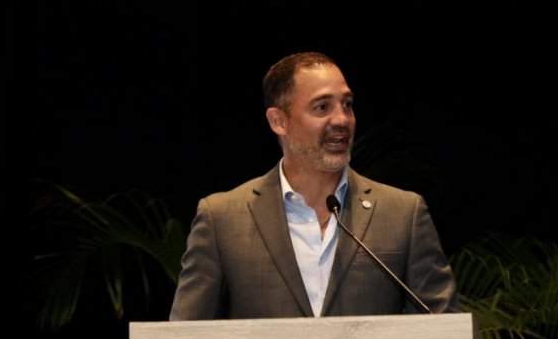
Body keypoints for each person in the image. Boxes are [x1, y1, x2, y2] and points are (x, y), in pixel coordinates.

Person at [170, 51, 458, 320]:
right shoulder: (222, 220)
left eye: (347, 105)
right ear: (279, 121)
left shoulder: (402, 214)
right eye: (322, 107)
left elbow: (445, 331)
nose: (341, 119)